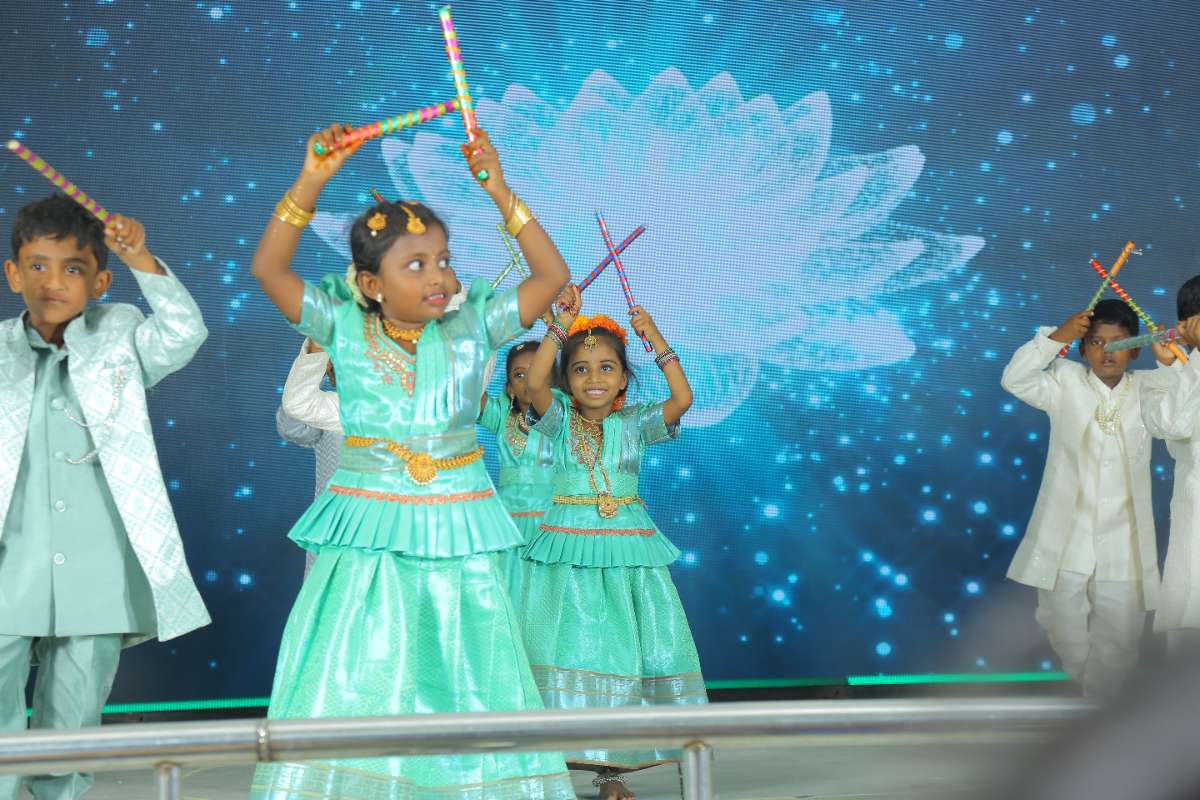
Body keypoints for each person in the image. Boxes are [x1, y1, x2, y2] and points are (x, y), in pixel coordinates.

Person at [247, 122, 574, 799]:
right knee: (357, 657)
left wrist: (499, 190)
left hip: (457, 516)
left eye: (443, 259)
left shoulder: (472, 324)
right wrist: (311, 180)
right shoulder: (343, 325)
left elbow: (552, 277)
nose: (439, 275)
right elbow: (269, 272)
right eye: (415, 265)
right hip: (369, 522)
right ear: (370, 283)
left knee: (467, 654)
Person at [0, 194, 209, 799]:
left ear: (100, 281)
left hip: (97, 569)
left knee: (73, 718)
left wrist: (141, 257)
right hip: (10, 565)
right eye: (37, 266)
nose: (53, 282)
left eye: (72, 268)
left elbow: (185, 331)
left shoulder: (120, 335)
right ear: (13, 274)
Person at [519, 286, 706, 799]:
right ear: (566, 380)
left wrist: (655, 338)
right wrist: (559, 326)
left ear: (624, 377)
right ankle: (546, 769)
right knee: (564, 649)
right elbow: (534, 380)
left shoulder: (635, 423)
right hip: (567, 554)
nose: (594, 378)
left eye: (607, 368)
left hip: (628, 552)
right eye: (581, 369)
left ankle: (612, 773)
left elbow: (683, 399)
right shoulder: (558, 419)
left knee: (626, 654)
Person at [1001, 299, 1173, 698]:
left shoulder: (1149, 388)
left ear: (1135, 350)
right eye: (1096, 341)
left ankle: (1102, 704)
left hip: (1124, 541)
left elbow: (1183, 400)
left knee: (1120, 638)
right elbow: (1015, 379)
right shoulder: (1065, 383)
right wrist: (1055, 338)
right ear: (1082, 348)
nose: (1107, 351)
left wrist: (1170, 362)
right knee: (1059, 622)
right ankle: (1091, 686)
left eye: (1119, 342)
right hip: (1067, 537)